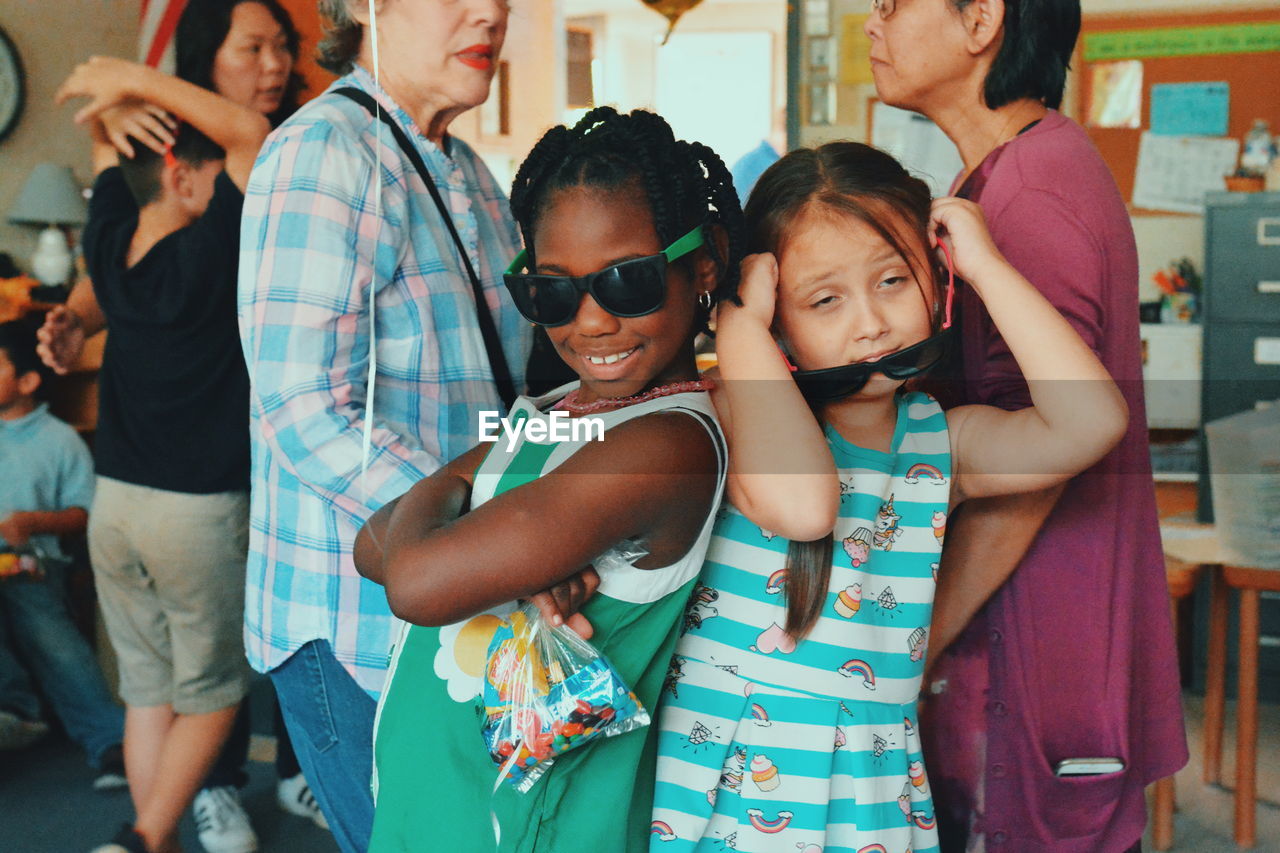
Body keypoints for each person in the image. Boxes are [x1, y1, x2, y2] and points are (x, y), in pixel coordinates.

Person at [649, 142, 1129, 852]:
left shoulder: (941, 442)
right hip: (735, 777)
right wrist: (740, 327)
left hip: (870, 789)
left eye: (893, 281)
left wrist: (988, 267)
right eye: (826, 300)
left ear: (936, 283)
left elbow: (1093, 422)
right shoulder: (733, 417)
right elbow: (798, 494)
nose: (870, 322)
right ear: (779, 320)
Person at [353, 105, 743, 852]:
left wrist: (454, 528)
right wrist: (487, 553)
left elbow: (413, 582)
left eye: (626, 281)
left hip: (533, 827)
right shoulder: (560, 406)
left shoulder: (667, 443)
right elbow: (373, 543)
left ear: (705, 261)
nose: (591, 322)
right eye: (553, 292)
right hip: (439, 804)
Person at [864, 0, 1186, 849]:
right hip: (1041, 637)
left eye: (893, 4)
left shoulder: (1027, 194)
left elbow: (1036, 460)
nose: (873, 23)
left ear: (982, 23)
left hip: (1031, 646)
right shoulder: (1013, 171)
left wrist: (913, 648)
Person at [235, 2, 531, 849]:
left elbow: (497, 391)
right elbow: (307, 409)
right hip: (351, 613)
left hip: (462, 590)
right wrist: (501, 529)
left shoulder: (467, 167)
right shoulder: (322, 150)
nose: (492, 11)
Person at [40, 3, 325, 848]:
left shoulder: (295, 141)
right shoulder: (215, 191)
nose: (274, 62)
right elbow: (110, 263)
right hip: (203, 486)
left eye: (284, 46)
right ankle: (175, 812)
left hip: (131, 487)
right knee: (211, 676)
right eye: (254, 46)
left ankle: (187, 807)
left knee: (157, 680)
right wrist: (76, 322)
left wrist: (120, 91)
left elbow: (112, 244)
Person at [0, 319, 126, 790]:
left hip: (35, 563)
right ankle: (15, 707)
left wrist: (32, 523)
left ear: (29, 381)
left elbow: (84, 512)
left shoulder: (59, 440)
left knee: (51, 637)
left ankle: (109, 739)